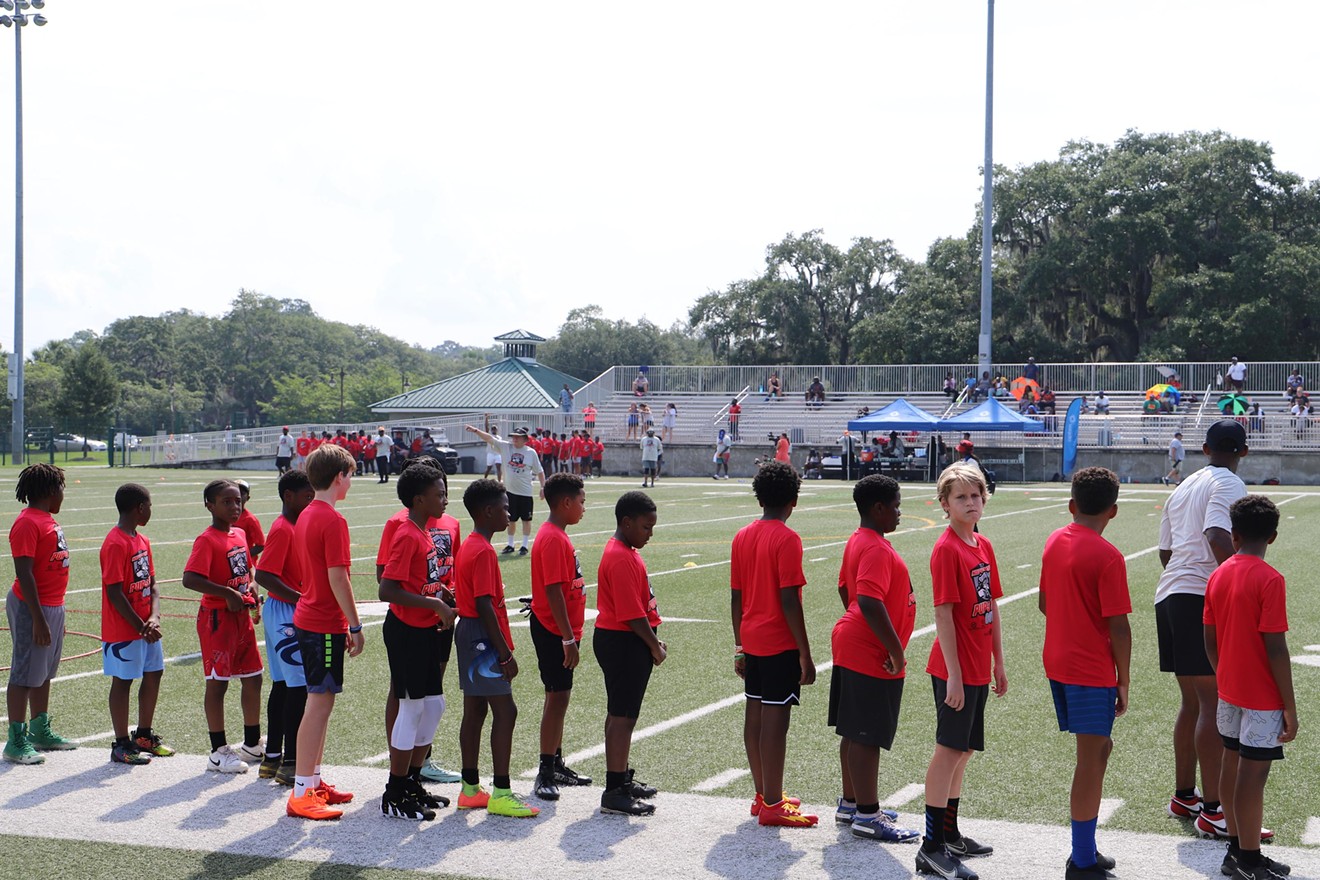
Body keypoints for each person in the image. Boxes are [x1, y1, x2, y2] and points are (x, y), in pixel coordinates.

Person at [1156, 421, 1261, 842]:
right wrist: (1233, 582)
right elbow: (1217, 533)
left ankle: (1186, 795)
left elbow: (1165, 550)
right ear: (1244, 451)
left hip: (1172, 593)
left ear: (1204, 448)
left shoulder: (1183, 485)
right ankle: (1215, 809)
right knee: (1213, 702)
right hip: (1199, 594)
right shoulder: (1230, 481)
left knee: (1193, 702)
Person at [1038, 467, 1131, 879]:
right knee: (1090, 760)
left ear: (1072, 504)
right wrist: (1124, 679)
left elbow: (1044, 602)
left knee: (1099, 751)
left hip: (1058, 660)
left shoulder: (1055, 539)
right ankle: (1081, 859)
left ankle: (1086, 846)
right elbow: (1119, 626)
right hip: (1090, 668)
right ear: (1113, 510)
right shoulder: (1108, 556)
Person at [918, 463, 1006, 879]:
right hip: (954, 668)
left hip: (976, 667)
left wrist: (999, 661)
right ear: (945, 504)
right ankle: (931, 846)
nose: (971, 502)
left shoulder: (982, 545)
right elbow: (944, 615)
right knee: (949, 750)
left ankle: (950, 834)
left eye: (976, 495)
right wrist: (953, 674)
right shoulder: (946, 549)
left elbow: (991, 608)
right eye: (961, 497)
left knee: (965, 750)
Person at [1203, 495, 1295, 880]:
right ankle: (1250, 858)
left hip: (1230, 691)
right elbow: (1276, 647)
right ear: (1272, 537)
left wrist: (1223, 673)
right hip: (1260, 697)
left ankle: (1234, 850)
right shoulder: (1270, 579)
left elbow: (1208, 636)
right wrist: (1289, 705)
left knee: (1231, 764)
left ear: (1234, 535)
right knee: (1252, 777)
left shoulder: (1218, 574)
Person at [830, 475, 919, 842]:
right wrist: (895, 650)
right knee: (866, 735)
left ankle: (852, 803)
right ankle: (868, 814)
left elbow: (844, 589)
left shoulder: (860, 539)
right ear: (878, 508)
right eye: (896, 506)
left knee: (854, 729)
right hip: (870, 651)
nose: (899, 513)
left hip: (854, 642)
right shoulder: (878, 549)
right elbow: (867, 599)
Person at [731, 461, 818, 827]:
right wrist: (805, 653)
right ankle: (771, 803)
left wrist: (738, 644)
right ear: (793, 501)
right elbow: (788, 600)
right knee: (775, 722)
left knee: (755, 716)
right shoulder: (787, 538)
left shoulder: (742, 535)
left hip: (750, 637)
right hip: (778, 640)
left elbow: (735, 597)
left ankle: (762, 793)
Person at [373, 459, 463, 785]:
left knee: (434, 705)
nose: (445, 499)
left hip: (426, 626)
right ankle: (397, 787)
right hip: (406, 629)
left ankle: (413, 777)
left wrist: (443, 593)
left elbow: (424, 578)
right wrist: (435, 603)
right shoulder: (406, 533)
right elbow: (387, 587)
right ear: (419, 499)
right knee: (409, 706)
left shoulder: (424, 531)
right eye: (439, 493)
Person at [454, 479, 540, 818]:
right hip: (481, 637)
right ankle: (501, 792)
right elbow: (485, 605)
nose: (509, 513)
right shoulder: (483, 550)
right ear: (487, 512)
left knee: (475, 711)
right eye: (505, 508)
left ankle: (470, 788)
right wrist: (504, 654)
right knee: (507, 711)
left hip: (472, 633)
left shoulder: (472, 545)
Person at [286, 443, 362, 820]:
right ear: (338, 477)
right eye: (350, 473)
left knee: (322, 702)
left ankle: (312, 781)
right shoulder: (332, 519)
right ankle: (302, 791)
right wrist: (354, 623)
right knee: (318, 705)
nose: (353, 480)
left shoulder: (308, 515)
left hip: (312, 618)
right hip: (320, 622)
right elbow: (338, 577)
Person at [181, 480, 265, 774]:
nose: (234, 507)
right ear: (210, 505)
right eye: (226, 502)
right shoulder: (207, 539)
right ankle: (217, 751)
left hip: (241, 618)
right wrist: (227, 593)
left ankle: (252, 743)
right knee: (218, 684)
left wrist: (251, 588)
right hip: (218, 620)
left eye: (237, 501)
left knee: (253, 678)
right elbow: (190, 578)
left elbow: (247, 569)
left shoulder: (240, 533)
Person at [595, 491, 665, 816]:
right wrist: (653, 644)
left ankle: (619, 777)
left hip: (622, 639)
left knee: (620, 714)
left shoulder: (625, 550)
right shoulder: (621, 556)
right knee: (623, 718)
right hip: (623, 641)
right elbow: (631, 613)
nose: (649, 533)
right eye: (645, 527)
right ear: (627, 522)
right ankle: (614, 791)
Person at [4, 464, 76, 764]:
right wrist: (38, 617)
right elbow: (24, 572)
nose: (63, 494)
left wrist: (53, 610)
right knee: (23, 672)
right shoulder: (27, 523)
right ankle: (16, 740)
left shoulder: (47, 519)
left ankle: (39, 729)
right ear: (50, 491)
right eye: (61, 487)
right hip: (31, 606)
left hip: (52, 604)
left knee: (44, 671)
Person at [530, 473, 593, 801]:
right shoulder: (554, 538)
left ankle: (556, 761)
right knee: (557, 698)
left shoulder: (557, 535)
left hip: (562, 629)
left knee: (561, 697)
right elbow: (554, 591)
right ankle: (545, 770)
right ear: (565, 503)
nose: (584, 508)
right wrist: (568, 638)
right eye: (581, 501)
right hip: (556, 630)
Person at [253, 468, 315, 786]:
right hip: (286, 613)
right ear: (288, 497)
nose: (312, 500)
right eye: (307, 496)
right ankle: (290, 762)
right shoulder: (282, 528)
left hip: (285, 609)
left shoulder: (294, 525)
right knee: (297, 687)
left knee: (282, 684)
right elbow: (263, 575)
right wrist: (301, 597)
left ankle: (273, 758)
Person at [100, 483, 169, 766]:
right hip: (124, 629)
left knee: (154, 673)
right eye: (149, 505)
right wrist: (141, 625)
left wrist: (153, 617)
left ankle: (143, 735)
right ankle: (120, 743)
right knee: (123, 681)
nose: (151, 510)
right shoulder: (115, 542)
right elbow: (114, 592)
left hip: (146, 627)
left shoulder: (142, 540)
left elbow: (152, 585)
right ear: (140, 508)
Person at [466, 425, 546, 555]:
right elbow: (489, 439)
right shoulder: (505, 447)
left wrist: (543, 487)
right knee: (511, 519)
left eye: (518, 437)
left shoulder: (531, 453)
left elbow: (540, 471)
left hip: (525, 492)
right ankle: (510, 544)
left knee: (526, 519)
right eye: (513, 436)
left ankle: (525, 545)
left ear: (525, 439)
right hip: (509, 492)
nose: (514, 439)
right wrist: (476, 431)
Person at [234, 480, 265, 563]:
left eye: (242, 493)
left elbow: (260, 545)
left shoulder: (250, 519)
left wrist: (241, 557)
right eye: (236, 492)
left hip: (245, 566)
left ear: (247, 498)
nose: (238, 496)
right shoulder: (224, 516)